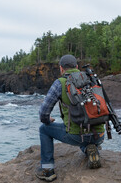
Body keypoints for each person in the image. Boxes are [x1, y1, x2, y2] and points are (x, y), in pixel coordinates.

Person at [35, 54, 105, 182]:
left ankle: (47, 170)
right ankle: (90, 149)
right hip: (99, 134)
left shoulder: (60, 83)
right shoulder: (91, 78)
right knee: (87, 132)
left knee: (44, 129)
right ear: (77, 67)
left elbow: (43, 113)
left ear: (61, 68)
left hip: (76, 136)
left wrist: (47, 120)